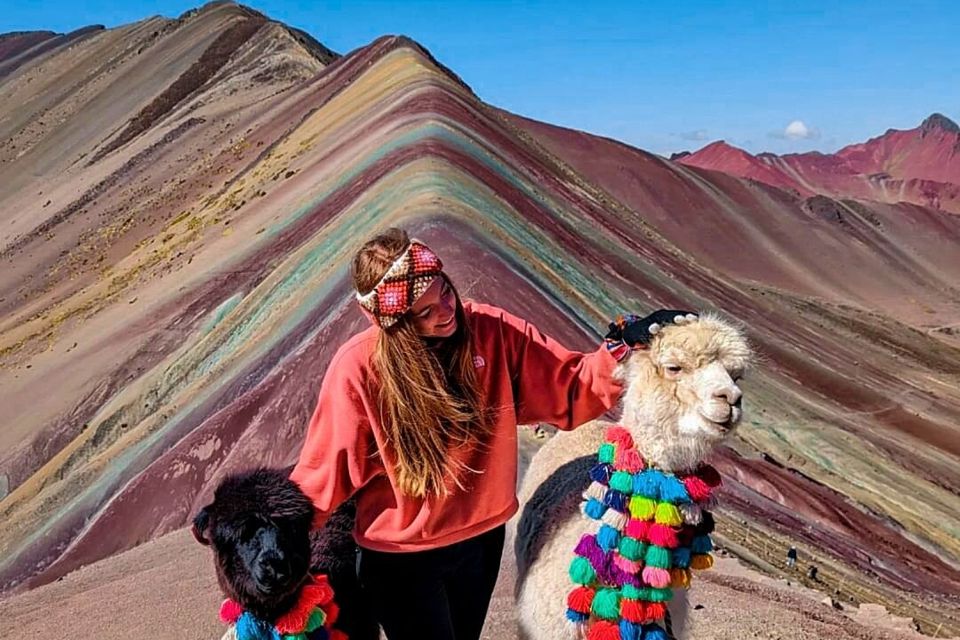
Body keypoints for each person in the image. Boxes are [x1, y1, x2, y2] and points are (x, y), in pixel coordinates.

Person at [290, 227, 691, 640]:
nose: (445, 311)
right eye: (423, 313)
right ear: (394, 325)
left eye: (444, 291)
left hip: (480, 543)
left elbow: (570, 386)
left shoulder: (491, 331)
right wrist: (280, 532)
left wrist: (625, 345)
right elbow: (326, 468)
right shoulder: (359, 368)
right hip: (402, 559)